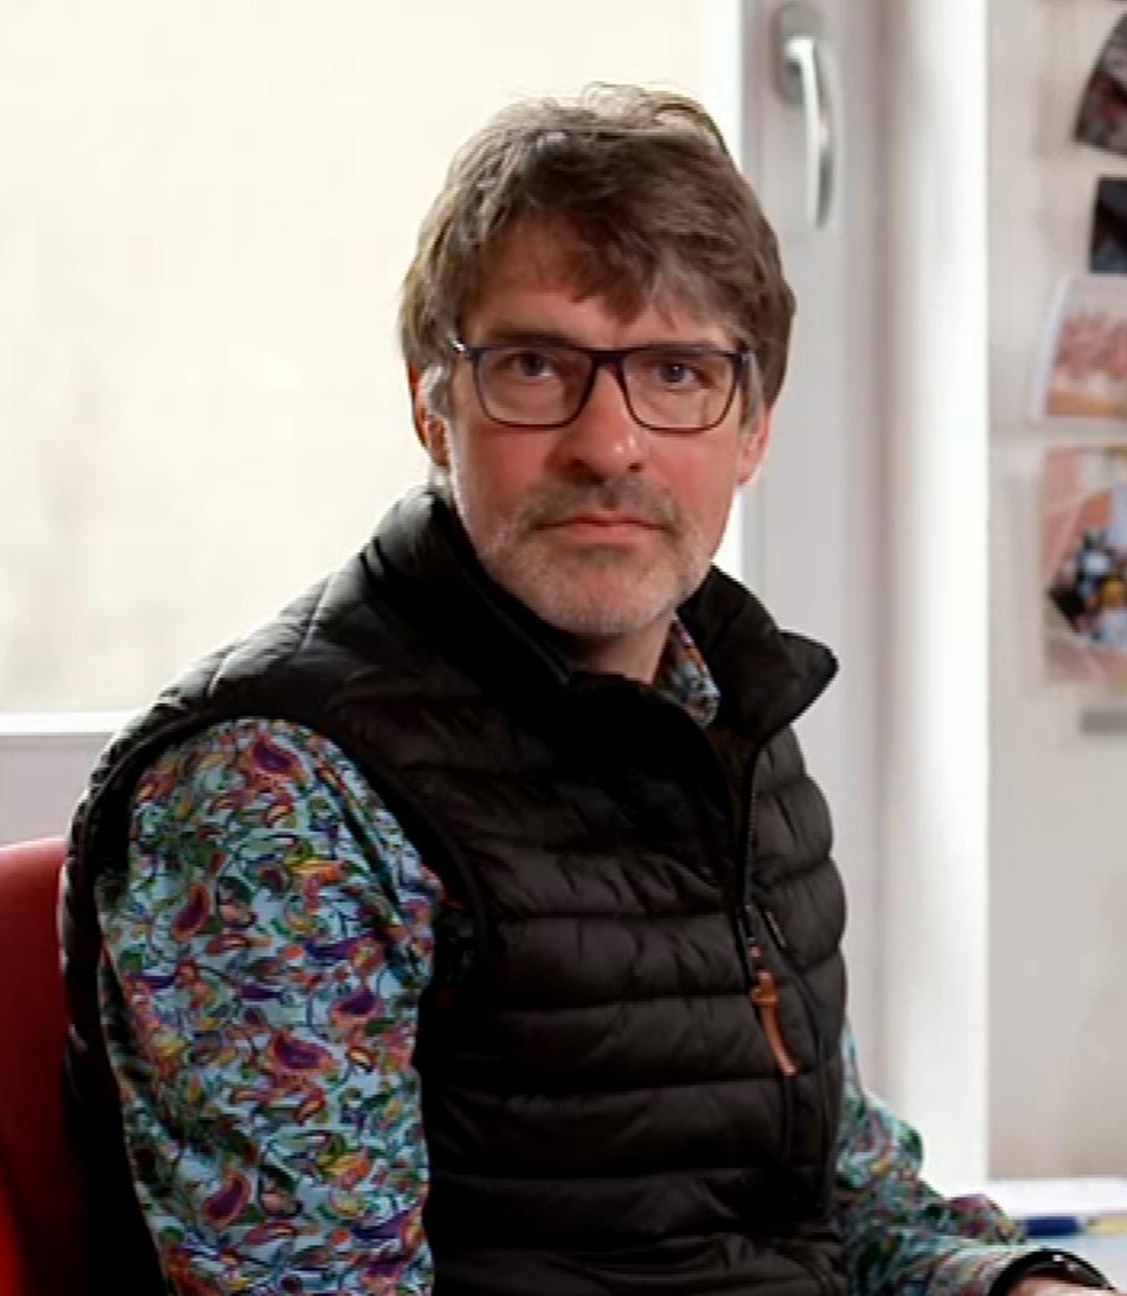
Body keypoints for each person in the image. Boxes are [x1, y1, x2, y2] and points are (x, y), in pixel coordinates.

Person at [60, 86, 1115, 1296]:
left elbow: (841, 1206)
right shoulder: (278, 789)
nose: (609, 444)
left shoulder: (729, 714)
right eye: (534, 365)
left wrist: (1016, 1286)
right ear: (433, 405)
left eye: (676, 372)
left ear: (753, 429)